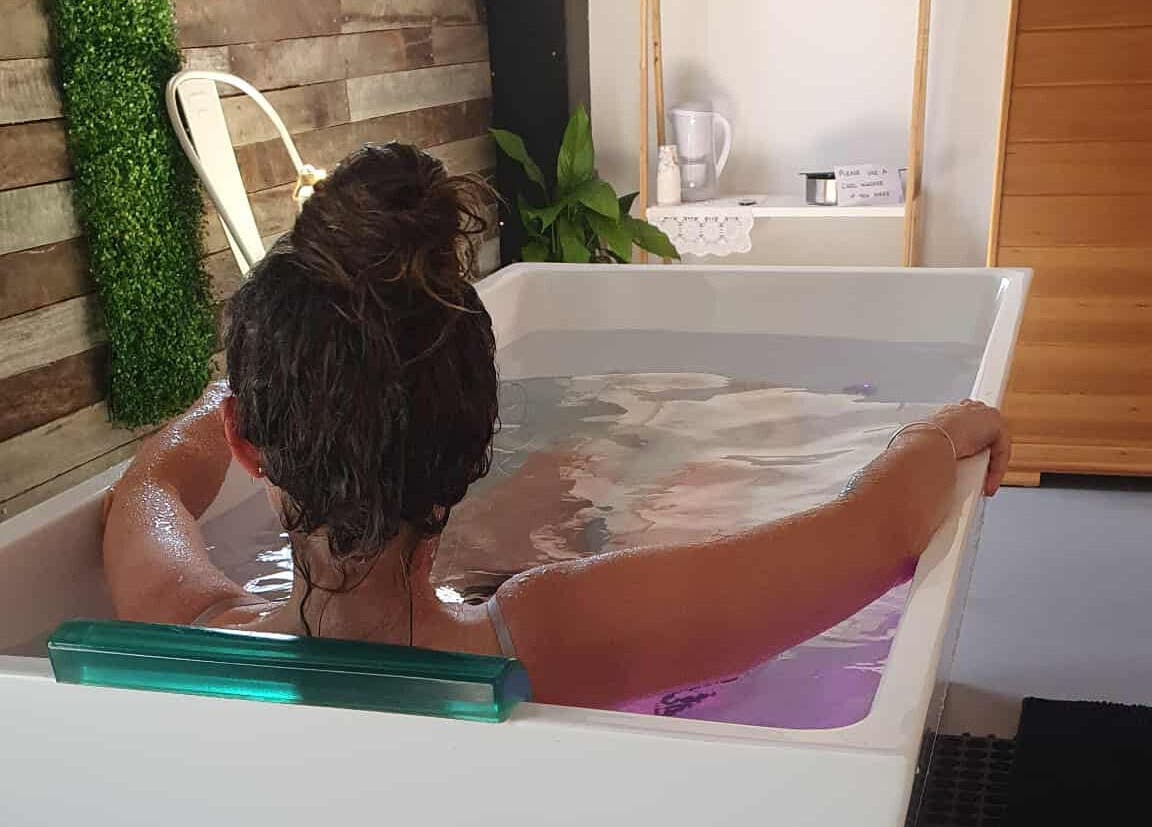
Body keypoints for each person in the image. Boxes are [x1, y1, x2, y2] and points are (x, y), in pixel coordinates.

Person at [102, 142, 1011, 709]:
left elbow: (149, 487)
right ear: (475, 436)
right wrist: (935, 432)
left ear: (248, 444)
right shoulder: (555, 635)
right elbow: (870, 530)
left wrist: (257, 387)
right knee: (588, 480)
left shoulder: (189, 623)